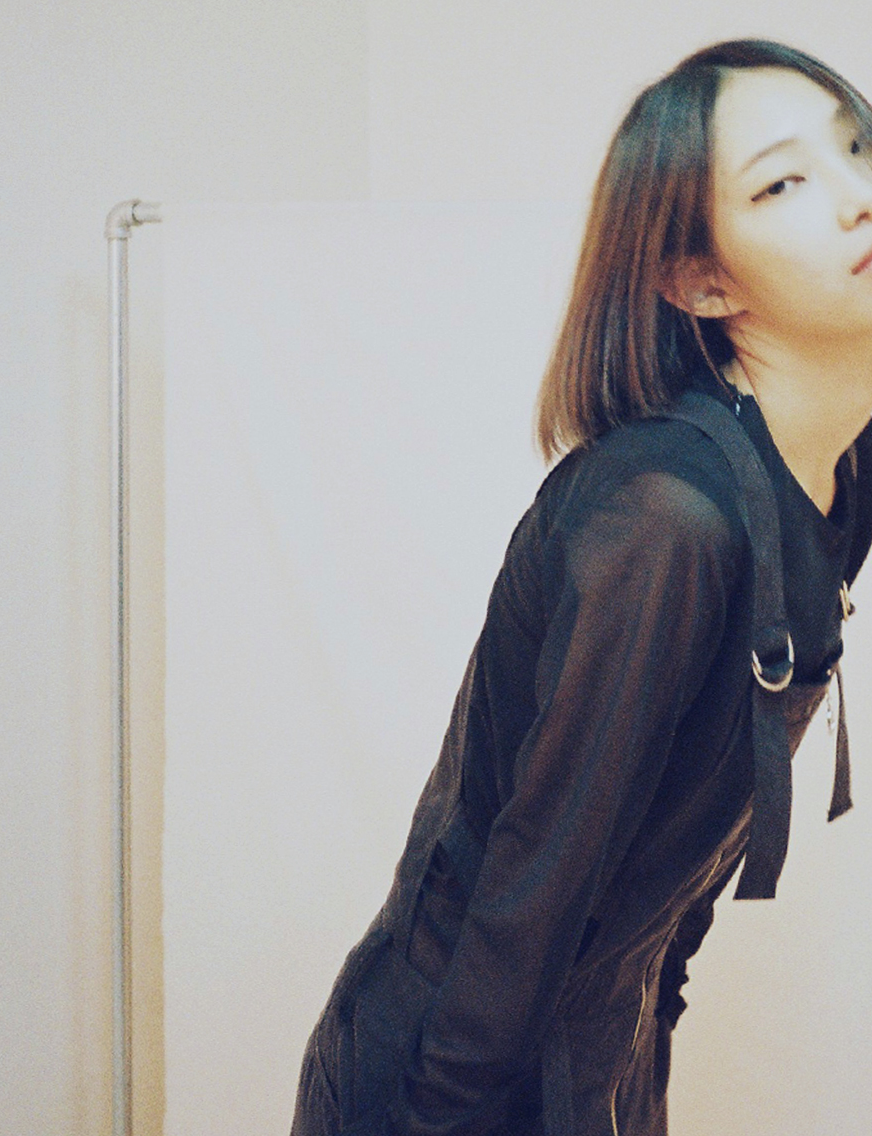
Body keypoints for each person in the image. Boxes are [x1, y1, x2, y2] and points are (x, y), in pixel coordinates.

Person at [291, 39, 872, 1136]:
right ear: (701, 282)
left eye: (857, 147)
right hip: (447, 1078)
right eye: (783, 183)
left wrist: (646, 1037)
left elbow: (673, 847)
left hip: (599, 1055)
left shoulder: (838, 472)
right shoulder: (667, 519)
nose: (855, 195)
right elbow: (532, 887)